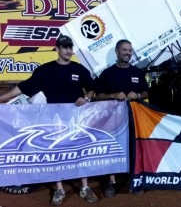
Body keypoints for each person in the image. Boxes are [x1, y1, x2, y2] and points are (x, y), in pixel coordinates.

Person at [0, 35, 98, 205]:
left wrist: (87, 98)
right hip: (53, 121)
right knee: (55, 154)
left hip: (76, 119)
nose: (68, 50)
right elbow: (24, 87)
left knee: (81, 153)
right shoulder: (45, 70)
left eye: (70, 47)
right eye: (64, 47)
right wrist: (2, 98)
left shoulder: (79, 69)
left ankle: (85, 187)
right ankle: (59, 189)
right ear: (57, 49)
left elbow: (92, 88)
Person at [94, 39, 149, 198]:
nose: (127, 53)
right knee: (113, 149)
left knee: (134, 147)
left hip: (134, 118)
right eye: (124, 50)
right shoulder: (107, 73)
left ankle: (135, 180)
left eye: (130, 50)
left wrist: (137, 94)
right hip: (113, 120)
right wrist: (113, 95)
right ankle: (111, 182)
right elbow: (98, 96)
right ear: (117, 52)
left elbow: (146, 93)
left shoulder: (137, 73)